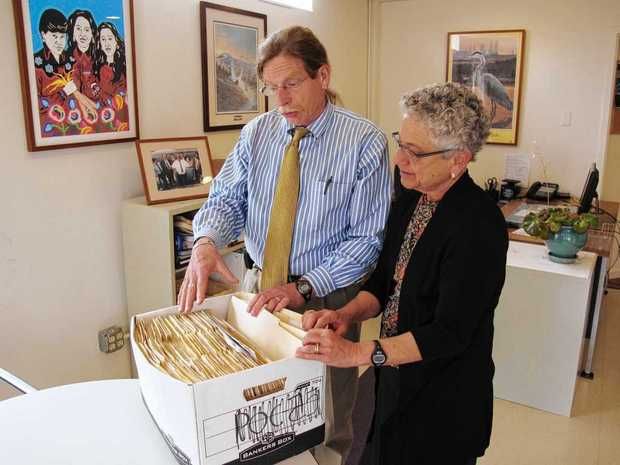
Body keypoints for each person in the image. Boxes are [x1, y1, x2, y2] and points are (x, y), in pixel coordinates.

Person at [179, 26, 391, 465]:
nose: (281, 100)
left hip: (327, 296)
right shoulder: (257, 134)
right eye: (271, 88)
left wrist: (304, 288)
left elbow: (366, 242)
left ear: (323, 76)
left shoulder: (364, 142)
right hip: (262, 286)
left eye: (291, 84)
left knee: (329, 415)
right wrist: (205, 241)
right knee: (263, 404)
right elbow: (225, 200)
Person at [297, 82, 509, 465]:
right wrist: (345, 314)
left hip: (445, 400)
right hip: (394, 379)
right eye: (401, 143)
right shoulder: (412, 196)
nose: (399, 160)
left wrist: (358, 353)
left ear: (458, 160)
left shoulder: (479, 225)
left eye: (415, 152)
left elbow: (450, 333)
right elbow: (383, 283)